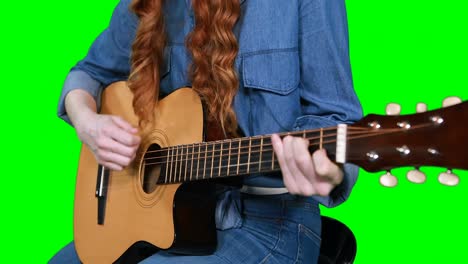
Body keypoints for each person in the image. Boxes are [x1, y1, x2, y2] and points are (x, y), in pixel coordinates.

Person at [50, 0, 362, 263]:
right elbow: (89, 73)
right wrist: (87, 121)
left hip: (271, 224)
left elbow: (335, 117)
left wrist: (327, 172)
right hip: (160, 216)